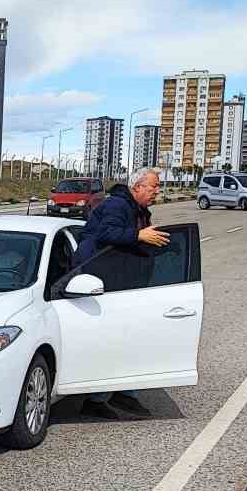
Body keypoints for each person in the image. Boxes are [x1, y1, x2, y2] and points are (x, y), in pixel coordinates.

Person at [72, 167, 170, 420]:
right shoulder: (117, 205)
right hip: (100, 282)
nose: (157, 191)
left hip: (122, 282)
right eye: (153, 186)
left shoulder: (136, 208)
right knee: (114, 340)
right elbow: (107, 234)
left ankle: (124, 392)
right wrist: (139, 234)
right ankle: (97, 398)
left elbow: (133, 242)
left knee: (132, 339)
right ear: (137, 187)